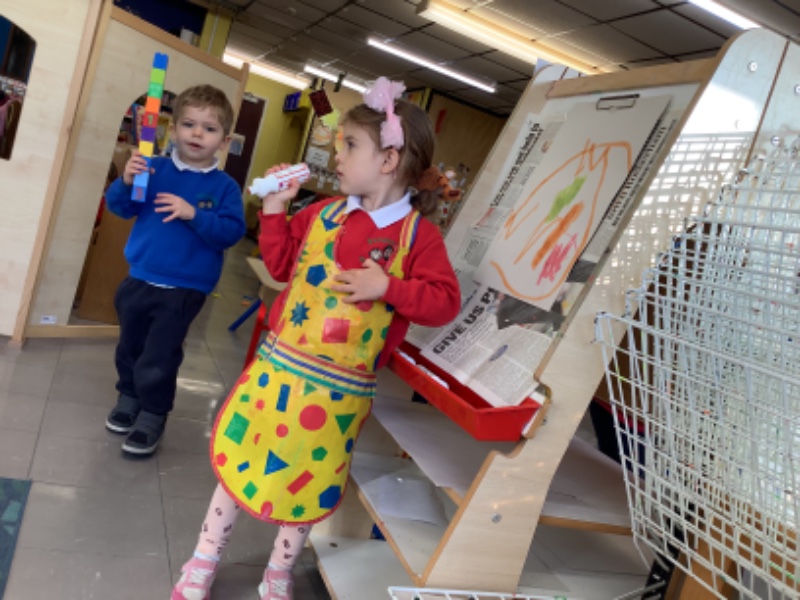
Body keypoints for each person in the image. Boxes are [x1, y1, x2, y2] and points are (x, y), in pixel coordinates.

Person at [171, 77, 461, 600]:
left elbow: (444, 303)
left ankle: (279, 571)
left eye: (349, 145)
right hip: (277, 375)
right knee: (241, 461)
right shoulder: (323, 213)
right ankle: (204, 556)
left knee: (312, 479)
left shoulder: (419, 237)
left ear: (389, 160)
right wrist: (276, 209)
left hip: (337, 397)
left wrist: (388, 287)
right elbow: (281, 266)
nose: (336, 156)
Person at [104, 84, 246, 456]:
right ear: (174, 128)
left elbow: (230, 233)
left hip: (184, 290)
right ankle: (128, 397)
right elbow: (120, 208)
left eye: (209, 128)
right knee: (129, 347)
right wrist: (126, 182)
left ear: (224, 141)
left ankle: (153, 414)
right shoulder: (152, 168)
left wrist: (194, 214)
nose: (197, 134)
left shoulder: (225, 188)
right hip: (138, 278)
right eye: (189, 124)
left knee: (160, 356)